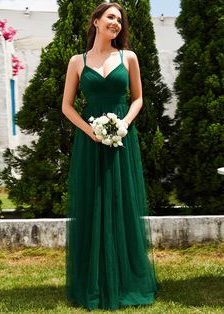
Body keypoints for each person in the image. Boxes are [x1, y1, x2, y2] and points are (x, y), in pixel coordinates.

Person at [62, 2, 158, 310]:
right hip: (90, 141)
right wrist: (91, 131)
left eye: (119, 19)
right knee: (93, 203)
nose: (116, 22)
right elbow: (67, 106)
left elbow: (138, 98)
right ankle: (94, 281)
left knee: (121, 204)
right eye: (110, 17)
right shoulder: (77, 61)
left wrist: (123, 125)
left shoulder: (128, 57)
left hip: (122, 139)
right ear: (96, 21)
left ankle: (126, 280)